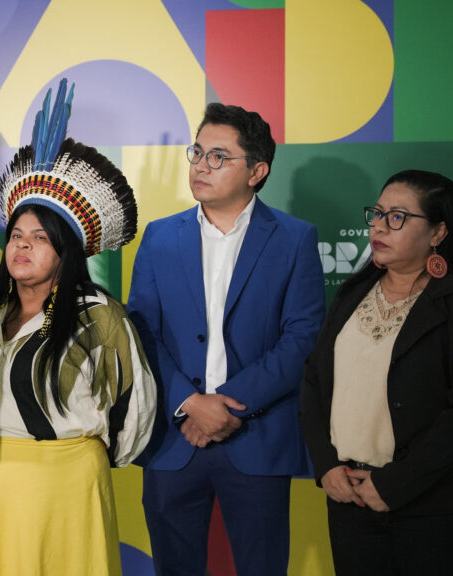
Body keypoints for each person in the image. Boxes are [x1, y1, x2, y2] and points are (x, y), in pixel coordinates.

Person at [0, 80, 156, 576]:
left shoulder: (98, 317)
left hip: (64, 489)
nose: (22, 246)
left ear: (66, 251)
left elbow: (135, 413)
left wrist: (76, 459)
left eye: (40, 238)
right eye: (16, 235)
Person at [127, 103, 325, 575]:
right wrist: (190, 403)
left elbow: (302, 337)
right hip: (173, 439)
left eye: (218, 156)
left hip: (257, 437)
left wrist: (227, 406)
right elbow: (141, 331)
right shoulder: (159, 237)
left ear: (257, 171)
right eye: (197, 152)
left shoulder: (294, 238)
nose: (201, 165)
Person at [299, 170, 453, 575]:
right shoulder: (353, 293)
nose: (378, 226)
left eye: (397, 217)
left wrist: (393, 485)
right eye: (377, 214)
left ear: (438, 232)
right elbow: (314, 380)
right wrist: (326, 466)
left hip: (435, 507)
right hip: (350, 499)